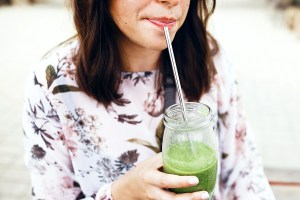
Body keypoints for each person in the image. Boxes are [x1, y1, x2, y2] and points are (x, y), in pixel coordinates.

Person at [23, 0, 276, 199]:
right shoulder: (53, 83)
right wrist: (120, 194)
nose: (170, 1)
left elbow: (244, 175)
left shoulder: (210, 60)